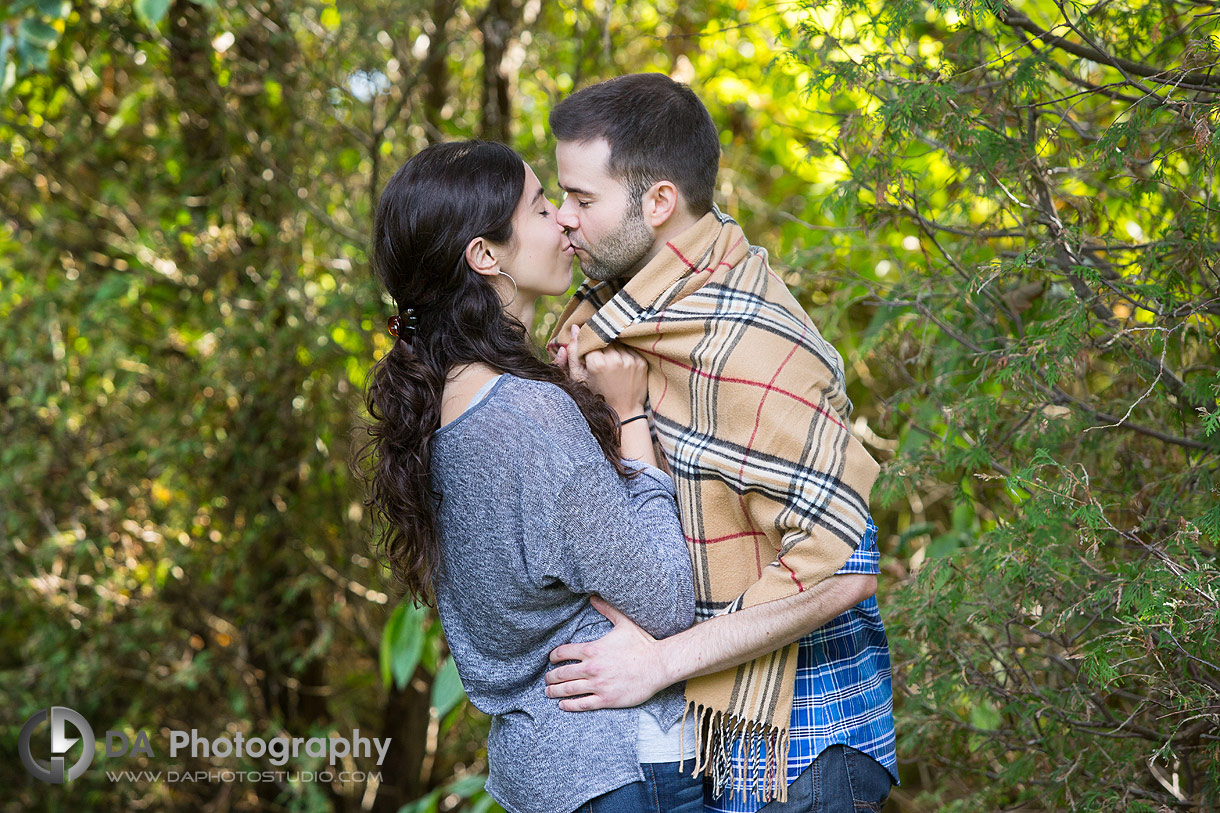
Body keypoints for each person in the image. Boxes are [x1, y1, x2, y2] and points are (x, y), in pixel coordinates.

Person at [541, 74, 899, 812]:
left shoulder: (754, 345)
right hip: (718, 742)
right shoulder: (624, 319)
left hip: (805, 747)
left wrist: (659, 663)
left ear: (660, 202)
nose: (564, 221)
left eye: (582, 200)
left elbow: (845, 565)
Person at [358, 139, 705, 813]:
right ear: (485, 255)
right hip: (620, 768)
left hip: (539, 779)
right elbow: (665, 602)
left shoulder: (436, 414)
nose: (566, 222)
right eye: (543, 207)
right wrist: (628, 418)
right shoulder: (528, 415)